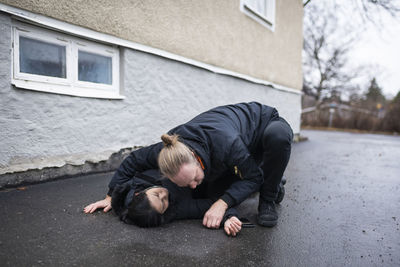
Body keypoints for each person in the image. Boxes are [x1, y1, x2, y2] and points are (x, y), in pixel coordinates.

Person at [86, 102, 292, 229]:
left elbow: (252, 177)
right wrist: (112, 196)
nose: (193, 186)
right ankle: (272, 178)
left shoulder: (227, 146)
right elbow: (132, 160)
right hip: (228, 152)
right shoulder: (167, 151)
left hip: (262, 127)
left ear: (194, 158)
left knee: (276, 140)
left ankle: (268, 197)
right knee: (224, 183)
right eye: (186, 183)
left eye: (194, 178)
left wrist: (222, 204)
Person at [84, 169, 243, 236]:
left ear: (141, 192)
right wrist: (228, 217)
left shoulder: (139, 180)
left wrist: (110, 198)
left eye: (157, 194)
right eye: (163, 202)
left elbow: (132, 162)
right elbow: (212, 205)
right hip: (220, 177)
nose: (164, 195)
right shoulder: (178, 209)